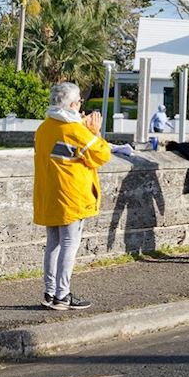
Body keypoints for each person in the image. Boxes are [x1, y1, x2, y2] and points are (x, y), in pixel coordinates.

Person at [34, 82, 110, 310]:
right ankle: (63, 295)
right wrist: (94, 132)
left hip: (49, 195)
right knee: (69, 244)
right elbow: (102, 155)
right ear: (73, 104)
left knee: (53, 244)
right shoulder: (77, 131)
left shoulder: (44, 128)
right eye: (79, 103)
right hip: (72, 197)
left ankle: (50, 293)